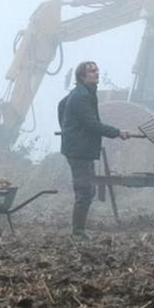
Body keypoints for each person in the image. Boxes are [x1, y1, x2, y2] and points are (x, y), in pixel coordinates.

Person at [58, 61, 131, 237]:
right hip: (78, 151)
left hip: (81, 148)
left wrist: (67, 129)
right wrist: (117, 132)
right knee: (84, 192)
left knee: (88, 191)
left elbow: (61, 105)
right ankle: (78, 232)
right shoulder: (81, 96)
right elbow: (92, 124)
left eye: (97, 70)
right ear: (82, 76)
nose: (96, 73)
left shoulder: (84, 93)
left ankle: (79, 230)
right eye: (92, 71)